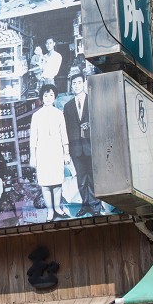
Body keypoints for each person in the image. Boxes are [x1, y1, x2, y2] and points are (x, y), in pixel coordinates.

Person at [63, 68, 102, 217]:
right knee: (80, 179)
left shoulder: (92, 100)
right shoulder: (68, 106)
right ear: (71, 86)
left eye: (79, 82)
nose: (77, 85)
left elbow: (99, 120)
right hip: (76, 149)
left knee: (92, 177)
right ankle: (85, 205)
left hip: (91, 146)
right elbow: (66, 129)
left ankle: (95, 206)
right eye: (74, 83)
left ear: (84, 83)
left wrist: (90, 125)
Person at [29, 84, 71, 222]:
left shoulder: (59, 114)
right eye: (46, 95)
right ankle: (50, 211)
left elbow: (64, 134)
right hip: (42, 152)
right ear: (42, 97)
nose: (48, 98)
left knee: (57, 182)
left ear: (55, 97)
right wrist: (33, 156)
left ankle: (58, 208)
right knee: (45, 183)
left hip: (56, 151)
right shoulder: (36, 115)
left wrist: (66, 153)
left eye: (51, 95)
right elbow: (33, 137)